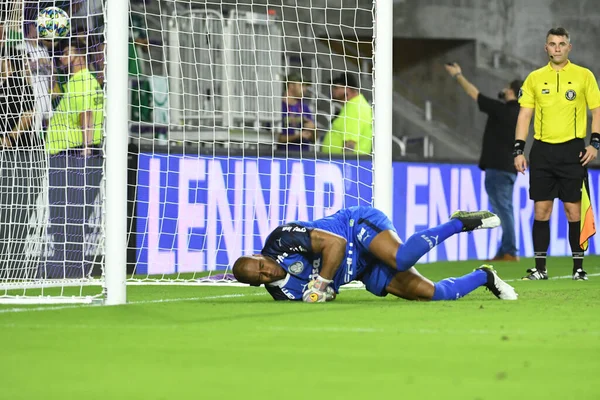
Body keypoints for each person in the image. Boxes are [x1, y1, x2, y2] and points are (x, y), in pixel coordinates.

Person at [232, 206, 518, 302]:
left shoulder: (281, 240)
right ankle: (484, 276)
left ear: (259, 256)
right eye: (259, 277)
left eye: (259, 265)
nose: (265, 271)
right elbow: (325, 295)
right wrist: (327, 293)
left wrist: (320, 283)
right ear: (258, 283)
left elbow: (335, 245)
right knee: (432, 294)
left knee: (402, 257)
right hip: (362, 270)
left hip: (355, 229)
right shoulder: (283, 295)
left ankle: (458, 222)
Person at [514, 27, 600, 281]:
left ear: (569, 47)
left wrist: (595, 143)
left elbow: (597, 111)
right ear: (546, 48)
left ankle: (578, 268)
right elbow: (524, 115)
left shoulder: (584, 76)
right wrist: (519, 149)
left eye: (562, 43)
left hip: (573, 150)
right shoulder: (534, 78)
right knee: (541, 211)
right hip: (542, 151)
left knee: (573, 211)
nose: (557, 48)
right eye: (552, 44)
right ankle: (540, 269)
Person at [444, 63, 521, 262]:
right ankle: (506, 249)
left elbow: (473, 93)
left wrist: (458, 75)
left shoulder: (500, 109)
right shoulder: (522, 115)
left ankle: (510, 251)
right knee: (507, 208)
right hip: (511, 168)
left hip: (497, 167)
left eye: (507, 88)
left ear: (511, 91)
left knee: (503, 209)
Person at [42, 42, 104, 279]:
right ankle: (72, 266)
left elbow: (85, 114)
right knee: (74, 215)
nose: (62, 59)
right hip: (75, 153)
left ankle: (65, 267)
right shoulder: (89, 82)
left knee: (64, 215)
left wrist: (87, 150)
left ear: (79, 55)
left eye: (66, 54)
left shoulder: (81, 82)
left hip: (73, 155)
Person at [0, 48, 44, 278]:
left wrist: (10, 137)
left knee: (18, 214)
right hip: (5, 156)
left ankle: (14, 267)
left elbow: (29, 113)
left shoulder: (19, 83)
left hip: (25, 155)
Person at [320, 72, 372, 155]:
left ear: (347, 89)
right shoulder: (356, 104)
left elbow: (350, 143)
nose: (332, 91)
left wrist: (346, 164)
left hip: (345, 163)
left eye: (336, 88)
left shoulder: (354, 108)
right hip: (348, 162)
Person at [277, 73, 315, 152]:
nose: (304, 89)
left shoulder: (304, 108)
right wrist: (298, 136)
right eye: (302, 85)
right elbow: (275, 138)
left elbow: (314, 139)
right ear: (291, 86)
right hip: (283, 156)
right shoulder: (277, 107)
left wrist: (313, 129)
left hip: (304, 156)